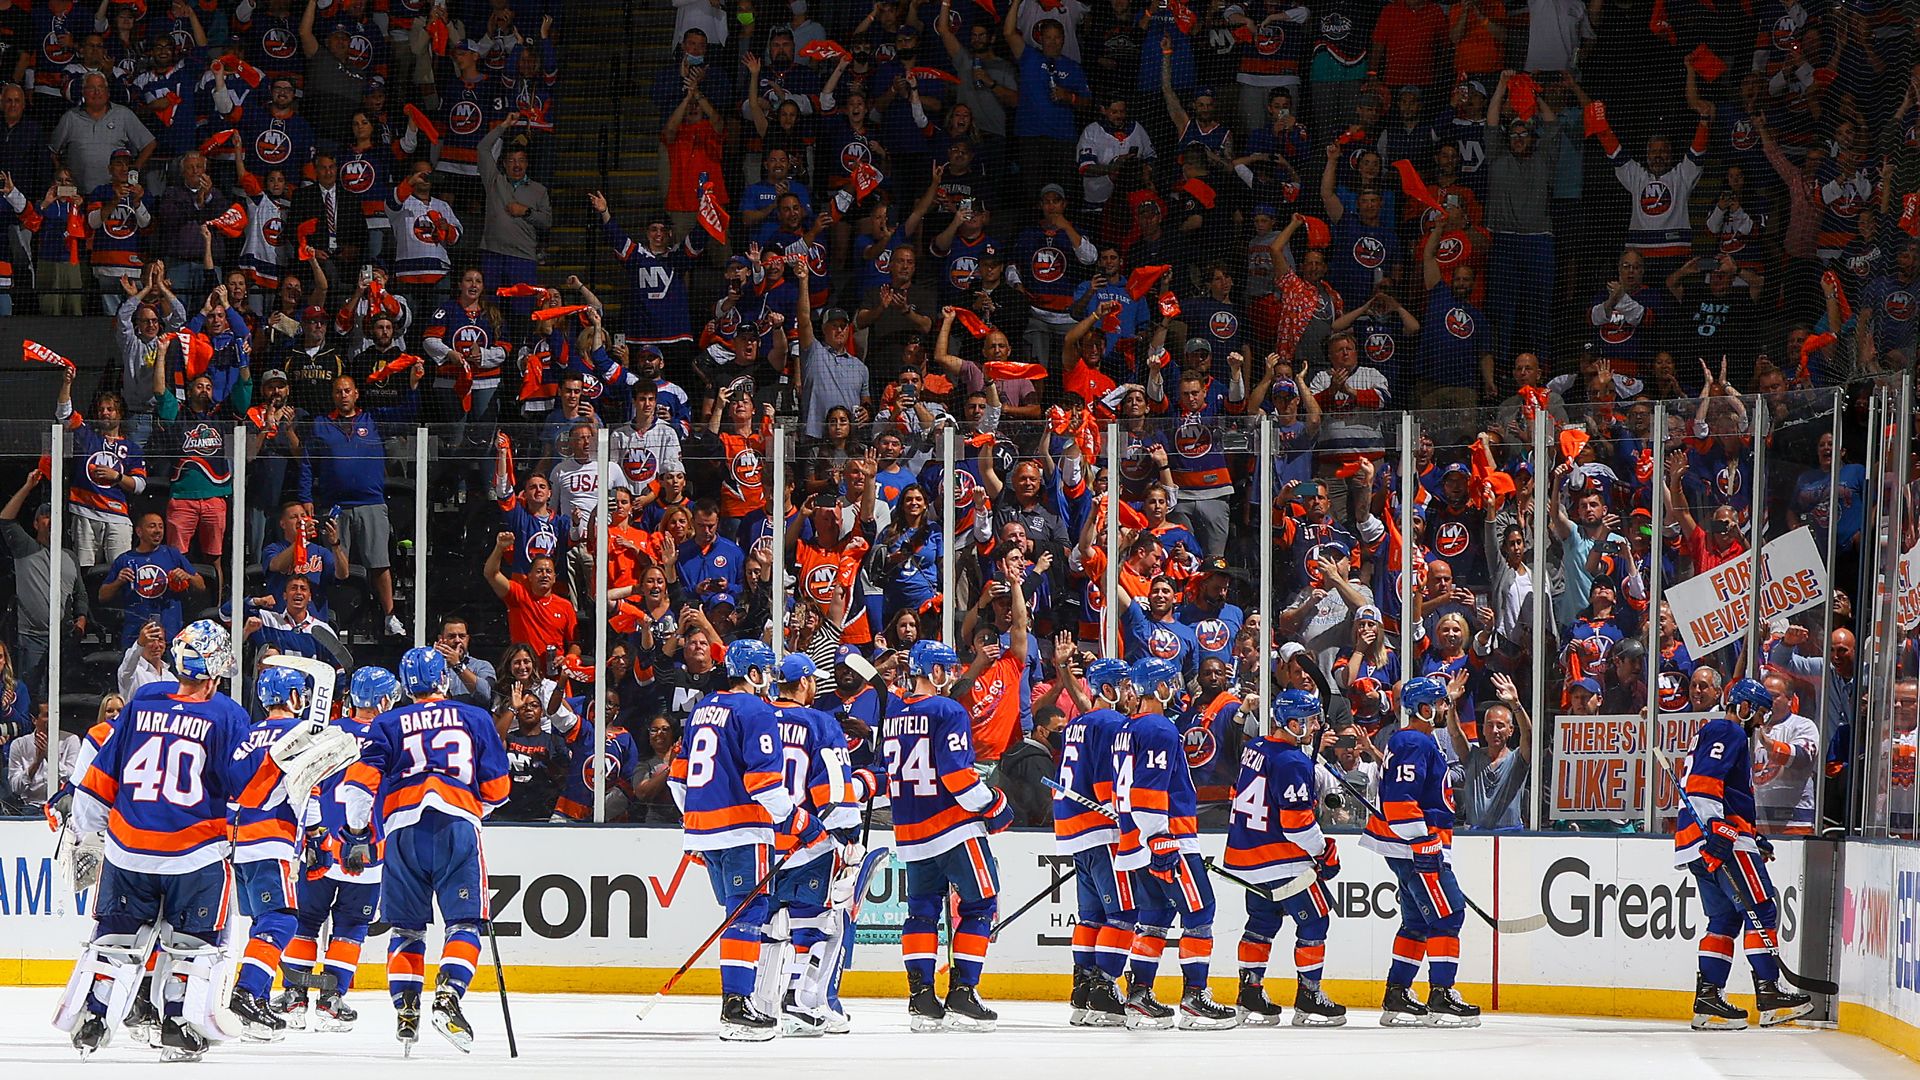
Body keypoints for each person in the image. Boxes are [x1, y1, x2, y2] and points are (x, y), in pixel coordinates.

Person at [56, 621, 251, 1060]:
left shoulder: (142, 700)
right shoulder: (228, 714)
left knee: (115, 941)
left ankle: (92, 1018)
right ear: (217, 668)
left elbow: (100, 776)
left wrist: (87, 833)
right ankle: (179, 1026)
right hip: (195, 854)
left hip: (127, 850)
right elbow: (242, 789)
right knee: (192, 945)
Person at [342, 646, 510, 1052]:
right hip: (457, 827)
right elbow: (499, 789)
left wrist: (358, 832)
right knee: (465, 925)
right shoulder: (473, 717)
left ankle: (406, 1010)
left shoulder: (387, 721)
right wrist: (471, 809)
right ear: (444, 680)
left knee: (405, 929)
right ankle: (449, 996)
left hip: (402, 831)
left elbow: (358, 784)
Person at [667, 639, 823, 1041]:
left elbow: (677, 779)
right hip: (743, 829)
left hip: (704, 829)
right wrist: (798, 819)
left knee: (741, 913)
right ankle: (736, 1006)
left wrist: (697, 828)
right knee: (748, 915)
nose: (769, 680)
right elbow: (765, 784)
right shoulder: (757, 710)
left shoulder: (702, 708)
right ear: (753, 673)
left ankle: (739, 1002)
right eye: (766, 672)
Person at [880, 638, 1013, 1032]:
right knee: (980, 905)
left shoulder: (894, 713)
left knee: (921, 910)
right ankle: (962, 993)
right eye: (949, 669)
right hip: (954, 828)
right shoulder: (947, 709)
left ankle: (921, 997)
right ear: (935, 672)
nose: (954, 675)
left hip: (910, 830)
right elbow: (957, 776)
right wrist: (993, 804)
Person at [1675, 677, 1813, 1030]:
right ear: (1744, 706)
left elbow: (1726, 795)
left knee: (1724, 920)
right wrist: (1719, 833)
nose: (1760, 721)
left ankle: (1708, 1001)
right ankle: (1769, 994)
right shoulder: (1729, 731)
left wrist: (1753, 834)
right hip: (1721, 840)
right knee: (1762, 908)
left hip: (1702, 840)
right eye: (1759, 712)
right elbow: (1703, 784)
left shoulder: (1724, 734)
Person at [1112, 656, 1238, 1030]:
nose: (1178, 688)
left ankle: (1139, 998)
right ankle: (1196, 998)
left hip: (1135, 843)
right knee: (1200, 911)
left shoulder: (1127, 728)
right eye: (1171, 681)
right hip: (1169, 840)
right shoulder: (1160, 728)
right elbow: (1149, 792)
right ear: (1159, 686)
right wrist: (1160, 839)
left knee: (1155, 916)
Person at [272, 666, 398, 1032]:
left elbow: (303, 784)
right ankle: (331, 1001)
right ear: (385, 699)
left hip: (321, 845)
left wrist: (310, 836)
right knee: (352, 926)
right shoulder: (390, 735)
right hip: (367, 849)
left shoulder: (326, 732)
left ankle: (295, 997)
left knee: (306, 922)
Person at [1361, 675, 1481, 1026]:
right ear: (1425, 709)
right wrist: (1422, 842)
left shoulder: (1415, 739)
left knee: (1416, 920)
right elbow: (1400, 801)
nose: (1445, 708)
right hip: (1416, 845)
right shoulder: (1414, 740)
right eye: (1441, 703)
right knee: (1448, 915)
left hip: (1407, 845)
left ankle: (1397, 994)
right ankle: (1441, 994)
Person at [1225, 689, 1347, 1026]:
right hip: (1283, 859)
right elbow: (1296, 825)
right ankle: (1309, 997)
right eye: (1309, 720)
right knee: (1315, 921)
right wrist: (1323, 852)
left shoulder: (1256, 747)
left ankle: (1249, 994)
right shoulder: (1292, 761)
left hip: (1248, 856)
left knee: (1261, 925)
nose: (1316, 726)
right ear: (1292, 722)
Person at [760, 653, 866, 1032]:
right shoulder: (820, 723)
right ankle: (796, 999)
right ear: (804, 682)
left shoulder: (755, 717)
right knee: (818, 920)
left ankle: (763, 1002)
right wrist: (848, 835)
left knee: (767, 924)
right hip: (808, 842)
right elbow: (833, 789)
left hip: (761, 843)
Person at [226, 664, 324, 1040]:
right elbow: (306, 788)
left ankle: (259, 1004)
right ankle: (248, 991)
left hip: (238, 840)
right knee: (282, 920)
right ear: (296, 696)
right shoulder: (300, 734)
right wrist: (317, 837)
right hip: (272, 837)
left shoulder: (247, 736)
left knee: (261, 921)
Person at [1053, 658, 1134, 1027]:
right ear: (1107, 688)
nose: (1130, 690)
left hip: (1076, 830)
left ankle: (1083, 991)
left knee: (1091, 916)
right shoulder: (1115, 723)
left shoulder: (1077, 724)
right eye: (1123, 683)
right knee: (1121, 913)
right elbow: (1107, 783)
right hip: (1104, 829)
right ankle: (1103, 989)